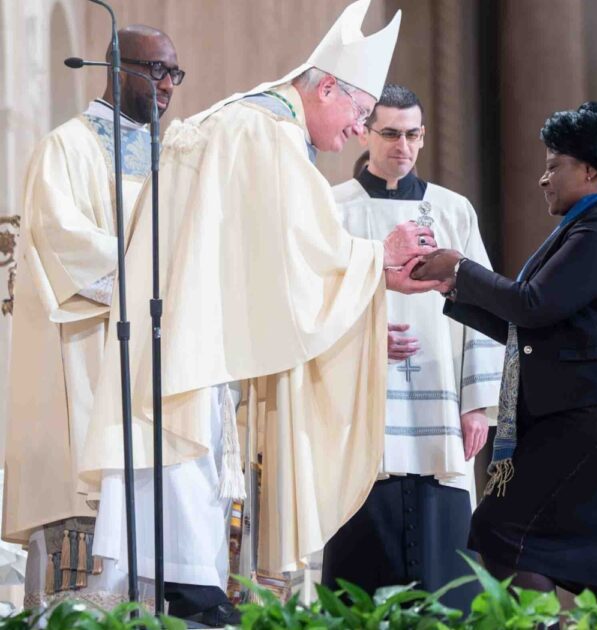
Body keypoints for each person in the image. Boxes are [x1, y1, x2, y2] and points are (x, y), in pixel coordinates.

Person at [77, 2, 442, 624]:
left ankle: (183, 593)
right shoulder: (268, 133)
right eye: (359, 112)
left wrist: (371, 271)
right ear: (326, 89)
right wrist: (377, 257)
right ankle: (190, 594)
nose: (358, 129)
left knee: (182, 460)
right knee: (183, 458)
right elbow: (301, 249)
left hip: (187, 325)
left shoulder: (246, 117)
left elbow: (269, 252)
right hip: (188, 334)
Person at [411, 102, 597, 598]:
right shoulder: (596, 224)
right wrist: (454, 287)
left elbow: (533, 305)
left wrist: (461, 268)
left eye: (553, 165)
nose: (543, 179)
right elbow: (533, 325)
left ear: (589, 170)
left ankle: (538, 624)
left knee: (504, 529)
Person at [3, 26, 180, 610]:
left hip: (155, 379)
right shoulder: (65, 149)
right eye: (157, 71)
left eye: (174, 74)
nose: (167, 86)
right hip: (88, 368)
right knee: (86, 596)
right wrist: (159, 274)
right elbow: (66, 250)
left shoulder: (172, 159)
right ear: (116, 67)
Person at [325, 85, 502, 610]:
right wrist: (362, 340)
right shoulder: (333, 208)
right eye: (390, 133)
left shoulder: (452, 210)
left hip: (439, 401)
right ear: (365, 134)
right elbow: (311, 301)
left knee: (443, 562)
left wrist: (477, 404)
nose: (402, 146)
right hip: (362, 402)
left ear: (423, 137)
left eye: (412, 134)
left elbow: (485, 307)